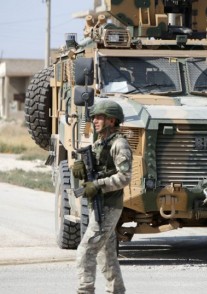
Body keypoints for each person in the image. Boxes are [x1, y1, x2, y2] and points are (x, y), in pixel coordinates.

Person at [72, 100, 132, 293]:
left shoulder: (119, 145)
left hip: (108, 206)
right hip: (98, 204)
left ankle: (85, 290)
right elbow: (95, 171)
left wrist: (97, 185)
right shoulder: (99, 144)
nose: (95, 121)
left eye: (99, 117)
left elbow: (124, 177)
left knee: (86, 250)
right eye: (94, 117)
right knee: (106, 255)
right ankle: (117, 290)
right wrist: (80, 169)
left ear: (112, 120)